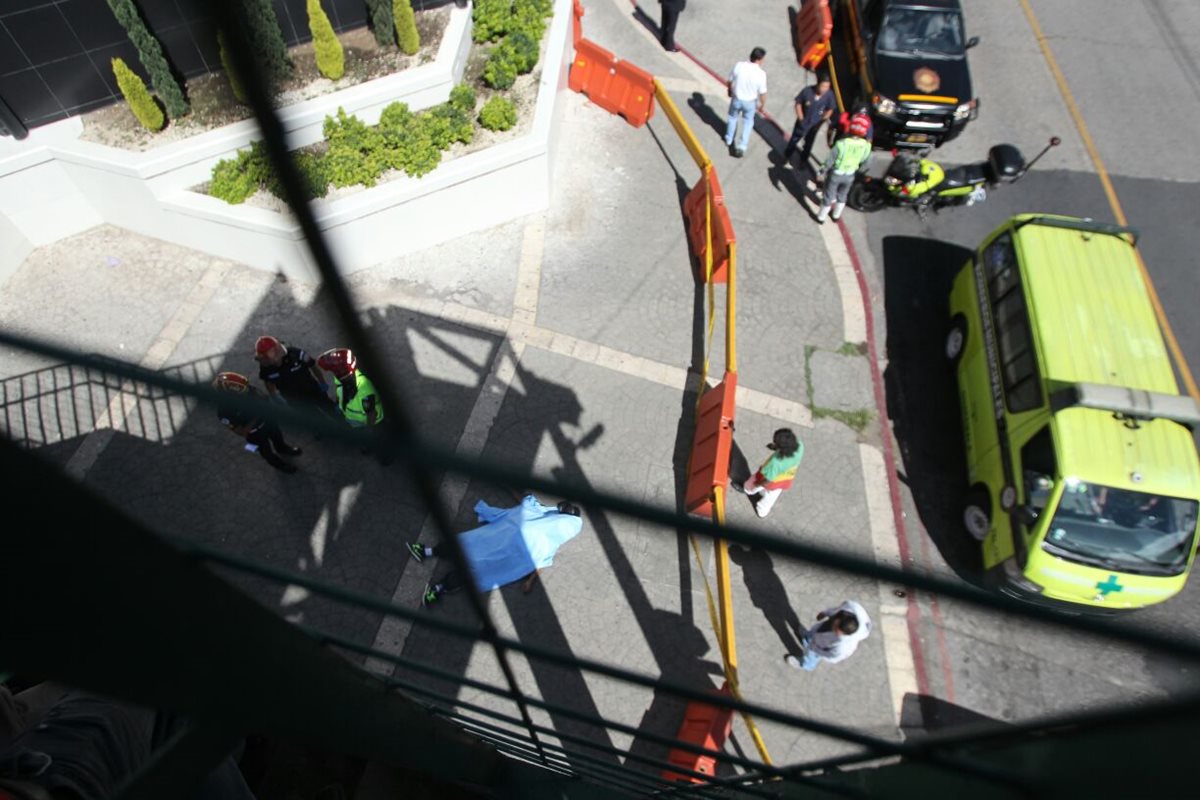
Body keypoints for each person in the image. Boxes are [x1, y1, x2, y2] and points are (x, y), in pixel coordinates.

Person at [407, 496, 583, 606]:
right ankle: (436, 590)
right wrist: (530, 582)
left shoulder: (537, 515)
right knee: (469, 572)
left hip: (489, 540)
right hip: (498, 561)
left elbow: (525, 506)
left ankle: (427, 553)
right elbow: (539, 565)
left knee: (462, 546)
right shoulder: (549, 546)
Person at [213, 371, 301, 473]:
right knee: (266, 452)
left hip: (268, 421)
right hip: (255, 434)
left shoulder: (246, 389)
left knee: (278, 437)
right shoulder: (224, 412)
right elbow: (241, 432)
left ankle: (282, 449)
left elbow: (263, 398)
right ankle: (280, 465)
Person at [254, 335, 342, 425]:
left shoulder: (297, 355)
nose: (265, 361)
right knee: (311, 415)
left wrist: (322, 382)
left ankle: (342, 421)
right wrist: (274, 395)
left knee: (328, 407)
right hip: (294, 399)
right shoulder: (266, 368)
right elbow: (268, 381)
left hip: (312, 390)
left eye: (266, 357)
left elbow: (313, 365)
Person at [816, 112, 872, 223]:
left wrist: (822, 170)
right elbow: (865, 160)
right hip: (850, 174)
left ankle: (821, 217)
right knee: (842, 195)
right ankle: (836, 215)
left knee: (828, 194)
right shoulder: (866, 145)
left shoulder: (841, 144)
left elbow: (829, 160)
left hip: (836, 173)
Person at [784, 601, 872, 671]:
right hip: (821, 634)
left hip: (820, 648)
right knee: (816, 632)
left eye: (836, 630)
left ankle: (806, 664)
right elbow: (837, 610)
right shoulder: (851, 608)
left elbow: (832, 657)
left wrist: (817, 650)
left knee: (812, 655)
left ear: (845, 634)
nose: (833, 627)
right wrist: (825, 613)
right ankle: (807, 638)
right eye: (835, 624)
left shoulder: (844, 647)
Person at [740, 428, 804, 518]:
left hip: (769, 480)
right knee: (770, 498)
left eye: (776, 442)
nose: (773, 442)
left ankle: (748, 490)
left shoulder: (776, 462)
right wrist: (776, 448)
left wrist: (757, 484)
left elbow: (767, 480)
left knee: (751, 484)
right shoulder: (800, 445)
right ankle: (762, 512)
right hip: (785, 480)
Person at [782, 75, 836, 170]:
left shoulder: (829, 95)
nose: (825, 89)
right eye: (823, 86)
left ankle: (803, 161)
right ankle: (787, 156)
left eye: (827, 87)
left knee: (808, 145)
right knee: (794, 141)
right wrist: (801, 118)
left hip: (814, 126)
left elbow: (830, 109)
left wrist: (822, 119)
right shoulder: (807, 91)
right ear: (818, 84)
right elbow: (798, 103)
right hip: (802, 124)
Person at [724, 47, 768, 158]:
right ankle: (742, 146)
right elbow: (762, 92)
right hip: (750, 103)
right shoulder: (761, 74)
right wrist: (762, 105)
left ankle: (729, 139)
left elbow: (729, 81)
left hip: (736, 99)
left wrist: (729, 91)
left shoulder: (739, 65)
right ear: (758, 59)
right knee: (748, 123)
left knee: (732, 118)